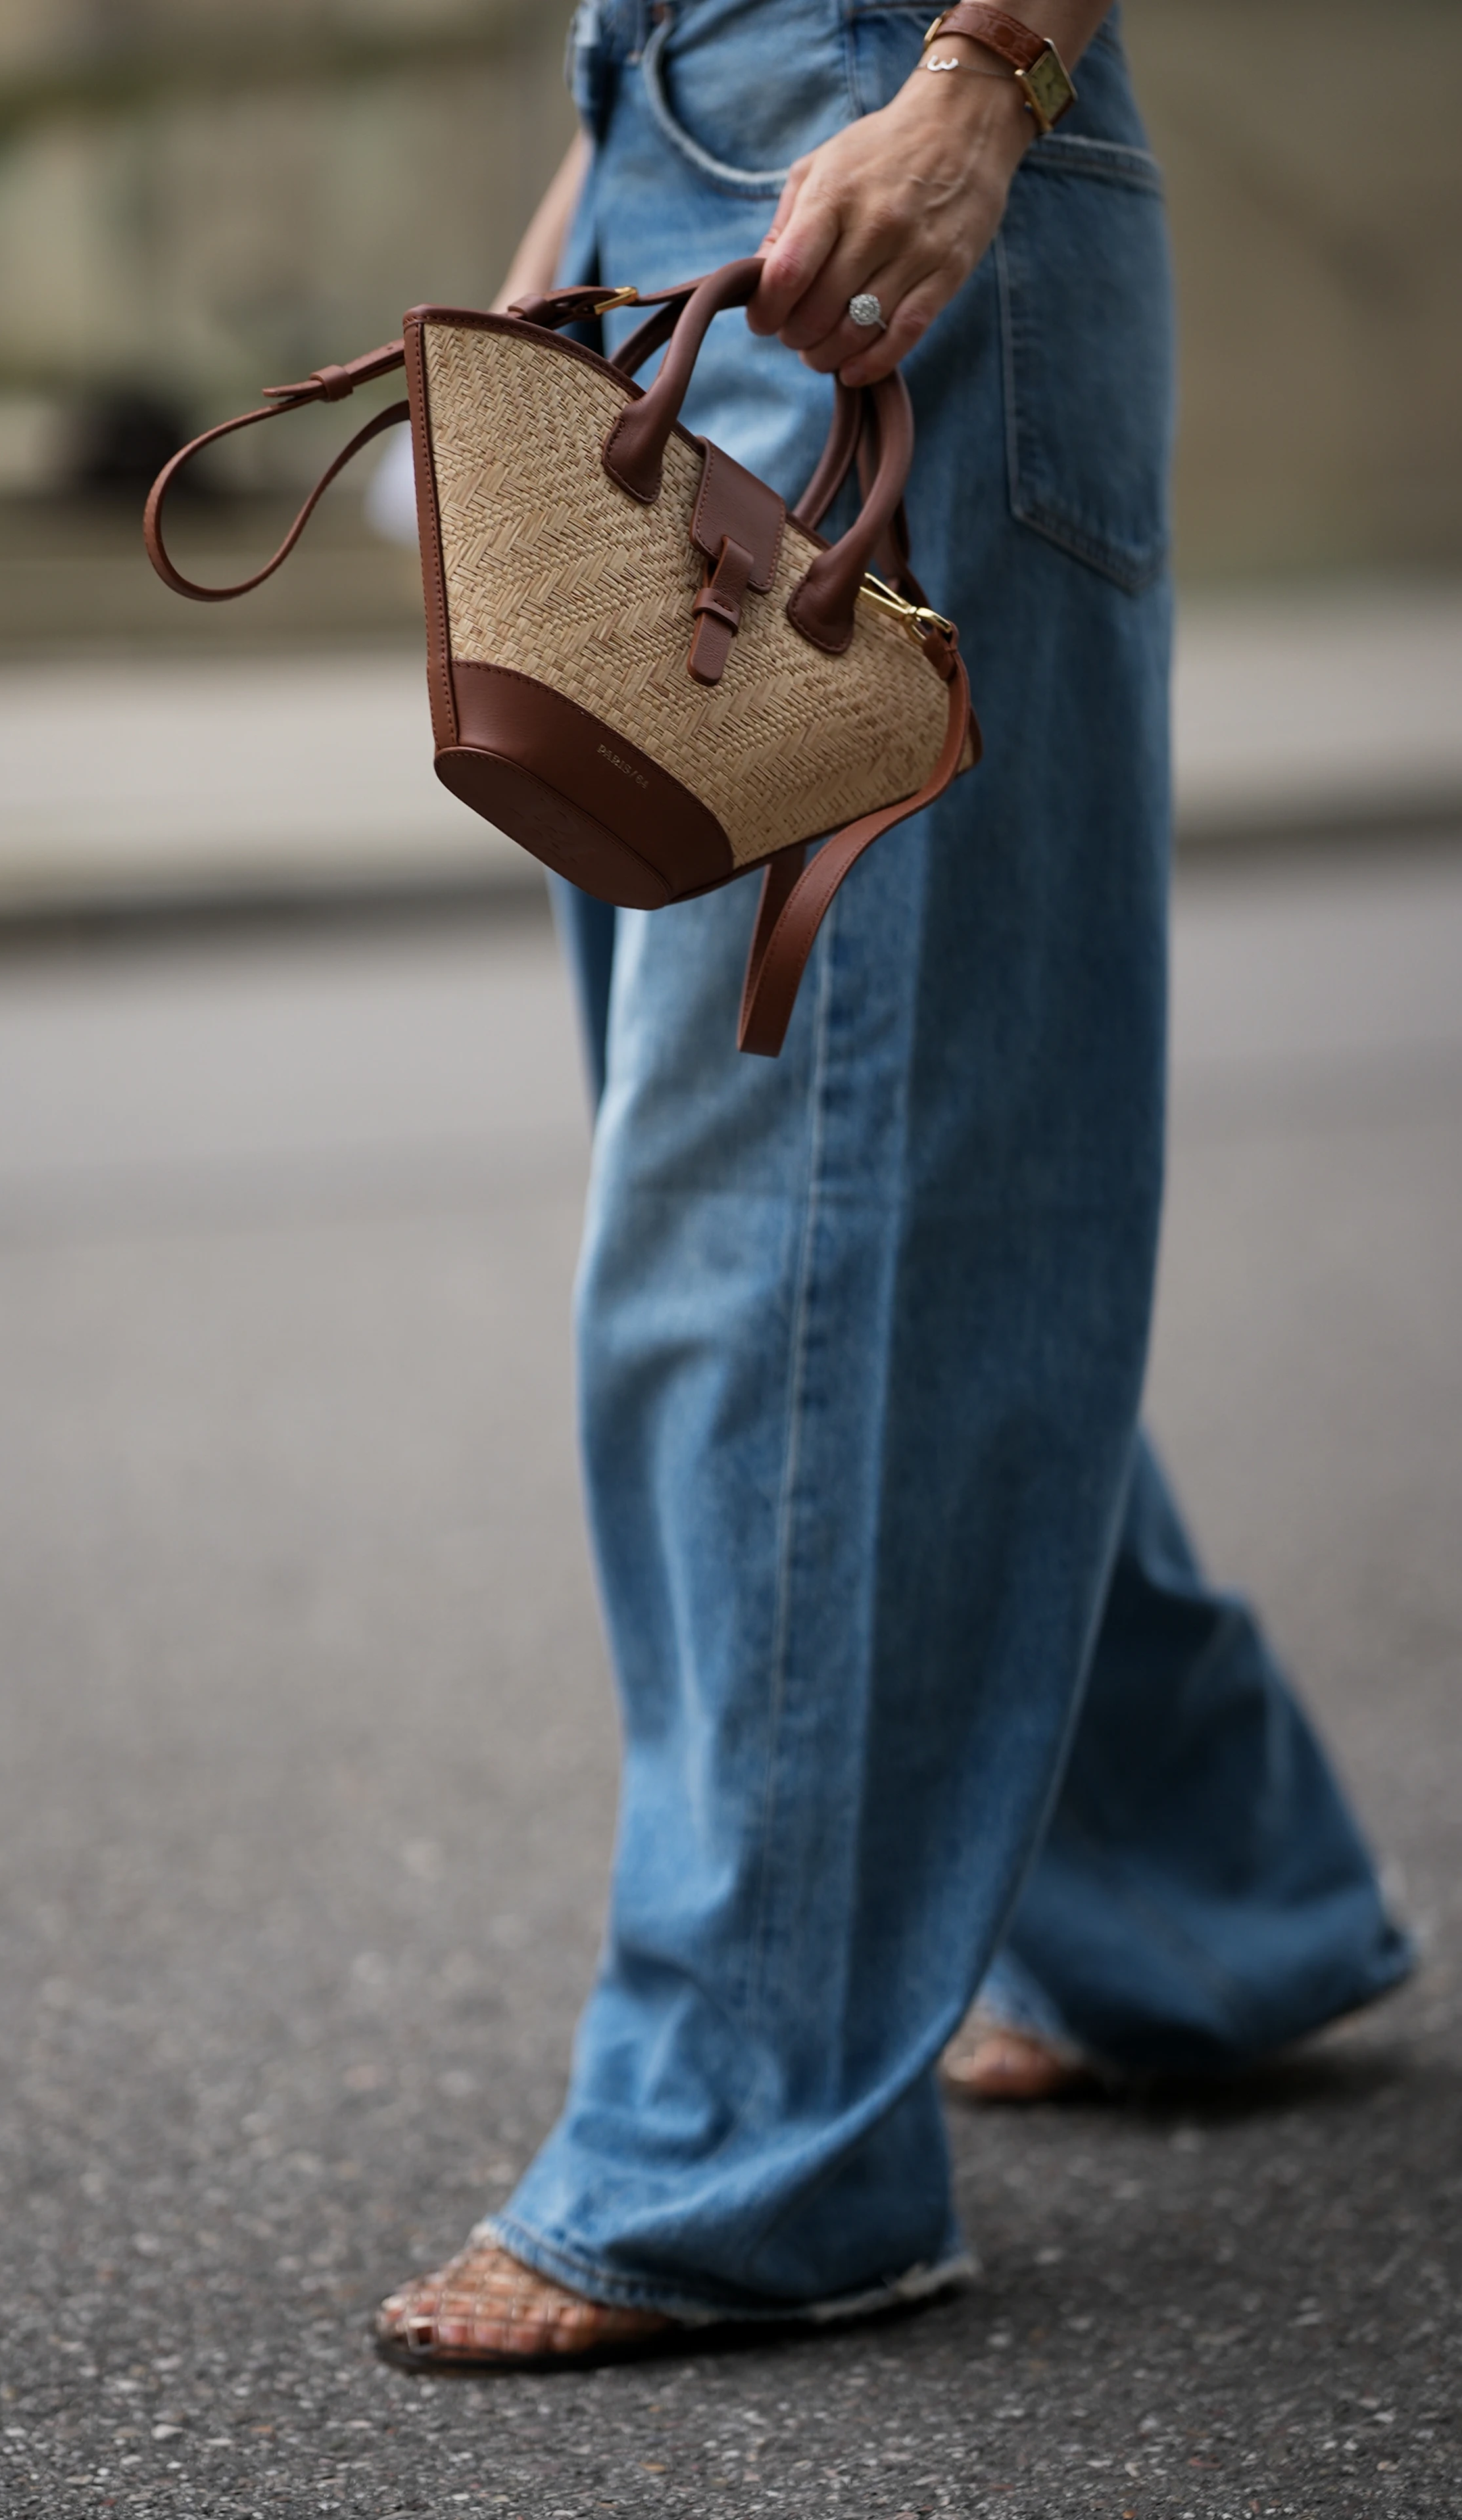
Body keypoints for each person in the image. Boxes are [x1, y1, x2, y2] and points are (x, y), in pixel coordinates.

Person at [375, 0, 1414, 2369]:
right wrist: (591, 188)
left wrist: (985, 75)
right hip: (694, 143)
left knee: (802, 1214)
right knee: (881, 1184)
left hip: (898, 155)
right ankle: (1193, 1903)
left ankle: (748, 2144)